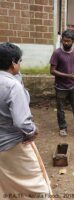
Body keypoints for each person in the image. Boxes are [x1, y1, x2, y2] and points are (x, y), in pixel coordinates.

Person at [0, 43, 52, 199]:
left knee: (7, 181)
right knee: (36, 181)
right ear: (13, 63)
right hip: (15, 143)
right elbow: (21, 122)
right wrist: (32, 130)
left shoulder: (12, 81)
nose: (20, 65)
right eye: (19, 61)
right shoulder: (12, 86)